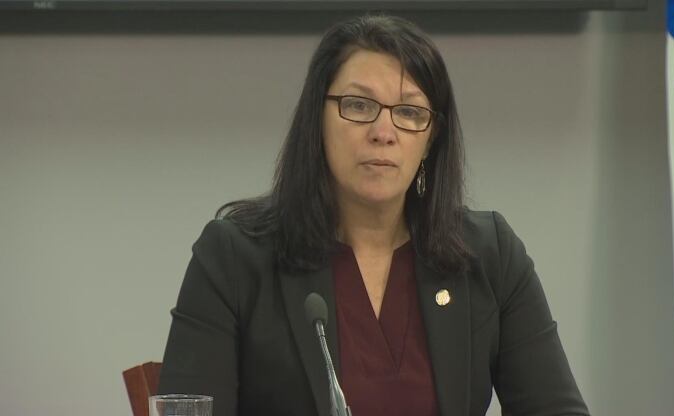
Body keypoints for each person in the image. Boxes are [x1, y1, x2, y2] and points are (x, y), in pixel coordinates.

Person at [158, 14, 589, 416]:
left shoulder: (489, 254)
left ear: (431, 138)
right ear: (318, 120)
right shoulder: (234, 257)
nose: (384, 133)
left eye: (409, 113)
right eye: (359, 106)